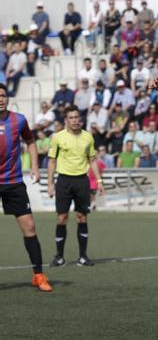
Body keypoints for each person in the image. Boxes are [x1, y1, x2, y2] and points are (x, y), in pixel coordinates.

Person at [0, 84, 52, 291]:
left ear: (8, 98)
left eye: (3, 95)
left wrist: (35, 168)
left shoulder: (18, 120)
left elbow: (30, 142)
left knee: (29, 227)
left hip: (13, 182)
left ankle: (38, 275)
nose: (0, 99)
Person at [47, 106, 103, 267]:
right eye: (71, 117)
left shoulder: (88, 137)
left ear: (80, 119)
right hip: (64, 181)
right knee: (62, 218)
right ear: (66, 120)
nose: (74, 120)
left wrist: (99, 182)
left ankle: (83, 256)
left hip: (81, 181)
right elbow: (52, 161)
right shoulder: (58, 137)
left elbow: (92, 160)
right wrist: (50, 183)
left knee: (82, 217)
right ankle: (59, 256)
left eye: (76, 117)